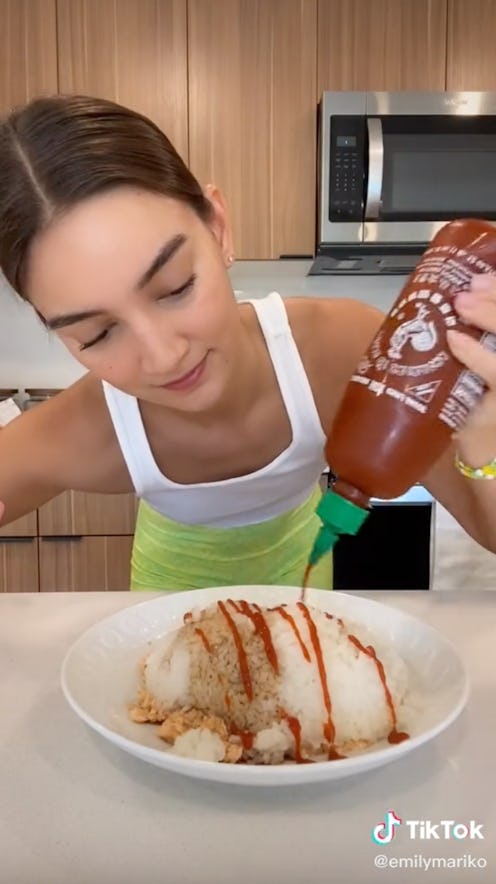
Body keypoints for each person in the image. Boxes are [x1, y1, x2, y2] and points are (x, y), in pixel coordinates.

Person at [0, 94, 495, 592]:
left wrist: (487, 446)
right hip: (164, 616)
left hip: (305, 605)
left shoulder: (337, 351)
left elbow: (487, 525)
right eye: (97, 334)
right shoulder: (90, 429)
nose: (164, 356)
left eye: (175, 288)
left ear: (218, 228)